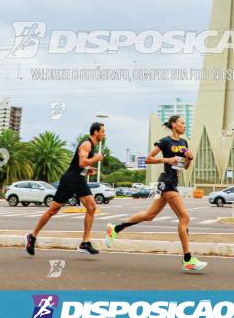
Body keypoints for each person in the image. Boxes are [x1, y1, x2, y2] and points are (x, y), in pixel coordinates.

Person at [104, 115, 207, 271]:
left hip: (172, 182)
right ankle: (188, 259)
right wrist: (166, 160)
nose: (184, 126)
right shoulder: (165, 141)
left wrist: (189, 159)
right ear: (174, 125)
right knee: (185, 217)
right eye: (182, 123)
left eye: (185, 123)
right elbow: (148, 159)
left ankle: (115, 229)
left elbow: (184, 168)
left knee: (149, 216)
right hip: (166, 182)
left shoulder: (184, 143)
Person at [26, 122, 106, 256]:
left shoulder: (93, 145)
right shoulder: (86, 144)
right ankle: (32, 236)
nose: (104, 134)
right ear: (95, 132)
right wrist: (95, 159)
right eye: (102, 131)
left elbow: (80, 166)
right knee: (53, 210)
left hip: (79, 180)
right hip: (69, 180)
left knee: (91, 208)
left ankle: (85, 243)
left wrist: (87, 170)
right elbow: (81, 162)